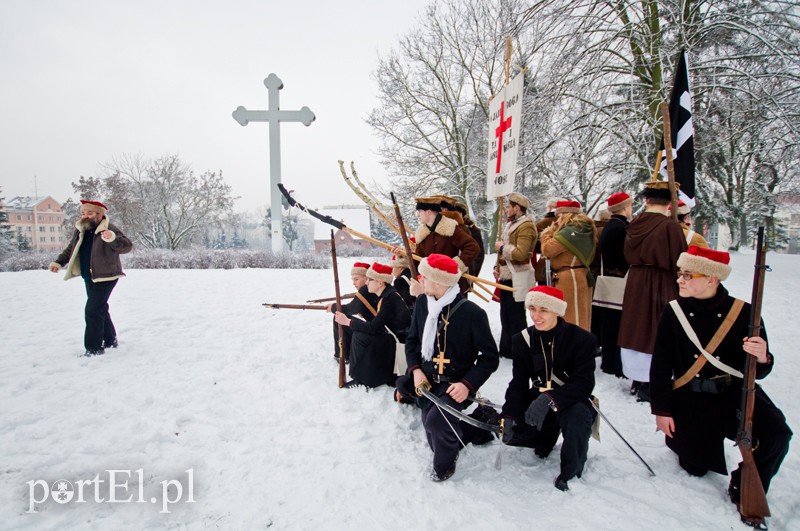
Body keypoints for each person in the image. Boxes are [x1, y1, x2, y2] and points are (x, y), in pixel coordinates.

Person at [650, 246, 791, 530]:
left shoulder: (744, 313)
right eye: (681, 274)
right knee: (695, 467)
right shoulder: (673, 311)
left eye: (688, 275)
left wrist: (763, 356)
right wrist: (662, 410)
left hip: (734, 394)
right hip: (691, 396)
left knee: (777, 434)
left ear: (712, 279)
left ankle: (744, 485)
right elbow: (661, 364)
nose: (680, 280)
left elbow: (759, 371)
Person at [396, 254, 499, 481]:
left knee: (437, 425)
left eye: (426, 277)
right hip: (427, 379)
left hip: (456, 385)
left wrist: (467, 384)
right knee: (435, 434)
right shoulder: (424, 302)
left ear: (441, 282)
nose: (420, 280)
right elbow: (412, 341)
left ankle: (444, 468)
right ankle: (472, 431)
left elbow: (490, 358)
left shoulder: (473, 314)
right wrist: (416, 370)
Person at [500, 286, 597, 491]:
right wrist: (509, 415)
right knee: (512, 434)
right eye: (532, 309)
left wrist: (550, 399)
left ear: (557, 311)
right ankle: (545, 438)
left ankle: (571, 470)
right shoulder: (522, 341)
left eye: (543, 310)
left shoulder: (582, 340)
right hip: (537, 402)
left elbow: (584, 384)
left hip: (569, 401)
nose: (536, 316)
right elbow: (518, 384)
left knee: (578, 415)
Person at [618, 181, 688, 402]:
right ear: (670, 204)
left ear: (647, 200)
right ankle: (651, 382)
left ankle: (638, 379)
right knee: (656, 328)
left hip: (637, 280)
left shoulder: (634, 222)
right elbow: (680, 259)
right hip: (660, 281)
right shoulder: (670, 226)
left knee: (637, 325)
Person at [49, 200, 133, 356]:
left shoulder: (108, 228)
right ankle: (110, 340)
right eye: (83, 213)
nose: (85, 216)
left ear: (99, 215)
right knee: (100, 308)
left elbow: (127, 245)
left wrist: (112, 238)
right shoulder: (82, 229)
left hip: (107, 276)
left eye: (89, 213)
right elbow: (71, 249)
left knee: (92, 310)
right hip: (89, 276)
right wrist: (59, 262)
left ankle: (93, 348)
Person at [335, 262, 411, 388]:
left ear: (380, 282)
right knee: (360, 332)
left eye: (370, 280)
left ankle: (361, 377)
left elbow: (373, 327)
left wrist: (348, 322)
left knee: (360, 335)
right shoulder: (387, 295)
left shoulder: (388, 300)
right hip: (393, 337)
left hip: (398, 342)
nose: (366, 283)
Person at [538, 200, 597, 331]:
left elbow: (547, 249)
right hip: (576, 276)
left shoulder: (572, 230)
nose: (557, 221)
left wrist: (548, 233)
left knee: (571, 317)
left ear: (566, 215)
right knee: (577, 316)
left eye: (559, 216)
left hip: (570, 279)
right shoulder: (581, 228)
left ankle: (573, 349)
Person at [494, 192, 537, 358]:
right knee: (505, 315)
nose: (506, 210)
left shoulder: (526, 226)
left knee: (516, 316)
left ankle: (521, 350)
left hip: (517, 276)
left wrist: (502, 248)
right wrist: (497, 266)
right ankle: (507, 348)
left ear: (517, 208)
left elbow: (521, 253)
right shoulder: (512, 224)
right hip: (507, 275)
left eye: (509, 207)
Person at [411, 196, 480, 297]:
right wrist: (404, 256)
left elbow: (472, 247)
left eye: (419, 212)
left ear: (428, 212)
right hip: (432, 287)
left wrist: (454, 266)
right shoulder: (423, 233)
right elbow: (420, 258)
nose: (418, 216)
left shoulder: (450, 228)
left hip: (452, 286)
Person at [596, 192, 633, 377]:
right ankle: (613, 364)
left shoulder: (612, 226)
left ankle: (610, 362)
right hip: (617, 280)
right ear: (625, 208)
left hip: (610, 280)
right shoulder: (619, 228)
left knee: (610, 324)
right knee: (615, 326)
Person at [326, 262, 379, 362]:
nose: (354, 283)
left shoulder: (365, 290)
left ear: (367, 278)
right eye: (353, 280)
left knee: (338, 317)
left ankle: (342, 354)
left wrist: (333, 307)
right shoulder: (372, 288)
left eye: (356, 279)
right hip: (376, 327)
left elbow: (351, 309)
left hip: (375, 332)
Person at [534, 197, 564, 285]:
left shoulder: (540, 224)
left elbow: (536, 247)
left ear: (550, 208)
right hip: (562, 267)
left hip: (544, 267)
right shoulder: (567, 223)